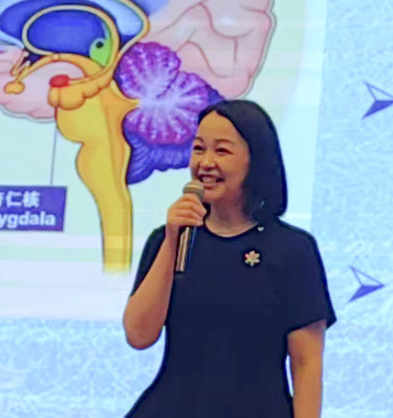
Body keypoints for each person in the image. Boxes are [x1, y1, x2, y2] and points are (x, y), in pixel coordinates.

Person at [123, 99, 336, 417]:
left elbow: (306, 363)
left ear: (256, 160)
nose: (206, 163)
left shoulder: (292, 250)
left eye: (221, 151)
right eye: (198, 149)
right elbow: (139, 335)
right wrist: (171, 241)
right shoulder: (170, 240)